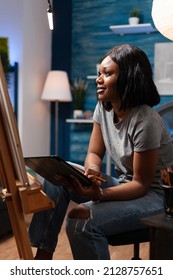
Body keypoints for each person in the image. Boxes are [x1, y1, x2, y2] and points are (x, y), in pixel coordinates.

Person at [29, 44, 173, 260]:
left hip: (155, 197)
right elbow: (94, 153)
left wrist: (100, 194)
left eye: (107, 73)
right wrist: (92, 171)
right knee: (57, 176)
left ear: (128, 77)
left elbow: (141, 185)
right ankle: (42, 260)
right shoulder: (103, 108)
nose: (98, 79)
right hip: (126, 184)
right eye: (99, 73)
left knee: (81, 221)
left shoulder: (146, 120)